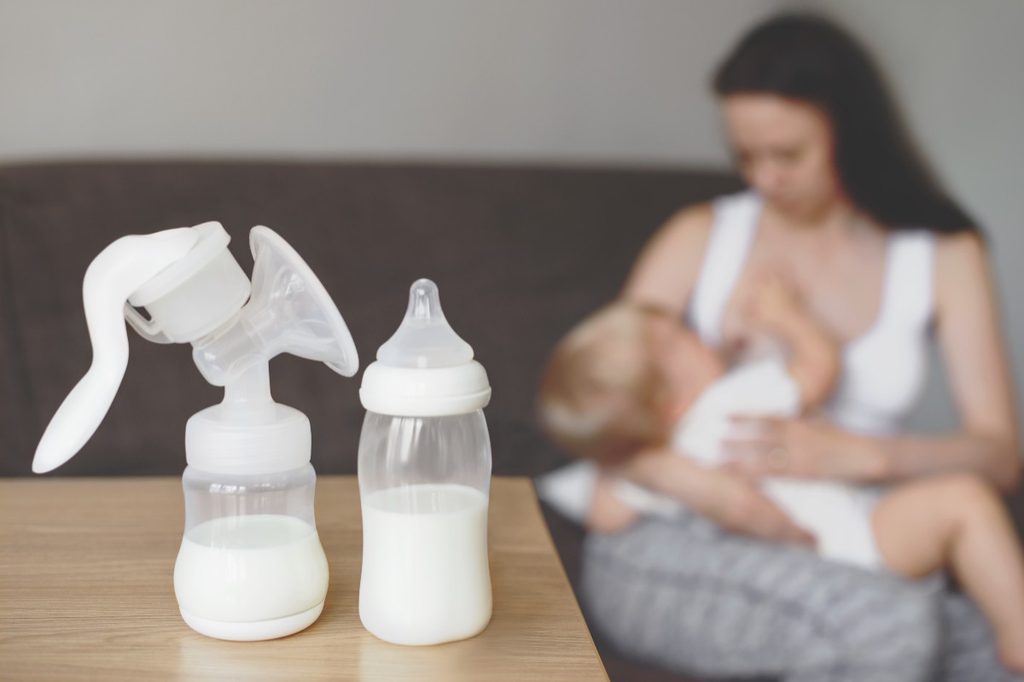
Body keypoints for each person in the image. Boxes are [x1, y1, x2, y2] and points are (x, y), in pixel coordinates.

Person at [539, 12, 1021, 681]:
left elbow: (1000, 457)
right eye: (746, 157)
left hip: (846, 514)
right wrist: (706, 489)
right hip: (688, 527)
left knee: (977, 648)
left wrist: (865, 455)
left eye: (788, 155)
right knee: (896, 625)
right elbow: (603, 403)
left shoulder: (943, 253)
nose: (765, 179)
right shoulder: (700, 234)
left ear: (851, 135)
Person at [538, 294, 1024, 671]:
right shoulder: (734, 401)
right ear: (671, 395)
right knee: (964, 500)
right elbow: (818, 369)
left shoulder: (665, 461)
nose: (701, 338)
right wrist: (787, 316)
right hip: (855, 535)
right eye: (685, 336)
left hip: (805, 559)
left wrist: (627, 456)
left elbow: (605, 514)